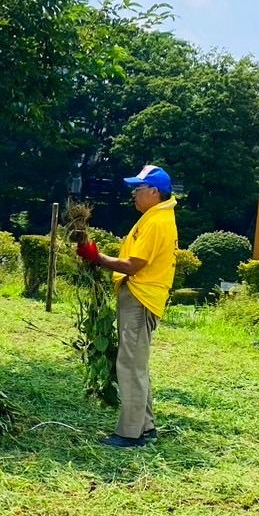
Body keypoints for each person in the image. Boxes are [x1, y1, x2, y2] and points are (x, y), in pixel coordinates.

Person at [76, 164, 179, 449]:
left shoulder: (157, 222)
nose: (134, 194)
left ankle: (130, 433)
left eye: (139, 189)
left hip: (140, 296)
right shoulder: (154, 216)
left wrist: (98, 258)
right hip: (140, 296)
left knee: (130, 365)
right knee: (137, 363)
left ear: (154, 192)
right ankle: (145, 426)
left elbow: (133, 265)